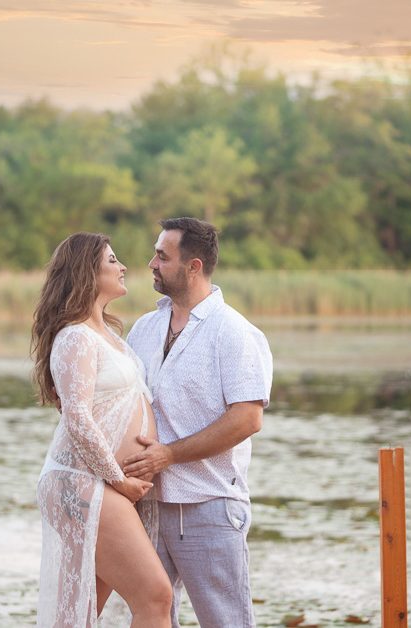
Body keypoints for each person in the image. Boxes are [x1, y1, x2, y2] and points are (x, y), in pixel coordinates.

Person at [123, 217, 273, 628]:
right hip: (146, 505)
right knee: (149, 617)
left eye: (162, 256)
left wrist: (168, 455)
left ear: (193, 266)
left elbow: (247, 419)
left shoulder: (234, 332)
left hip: (209, 505)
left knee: (225, 622)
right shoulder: (144, 328)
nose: (151, 263)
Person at [31, 232, 172, 628]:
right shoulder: (75, 336)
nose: (124, 266)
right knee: (155, 597)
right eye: (113, 261)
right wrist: (119, 480)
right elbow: (76, 417)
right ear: (87, 273)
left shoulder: (108, 336)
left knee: (77, 614)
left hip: (101, 483)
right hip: (85, 480)